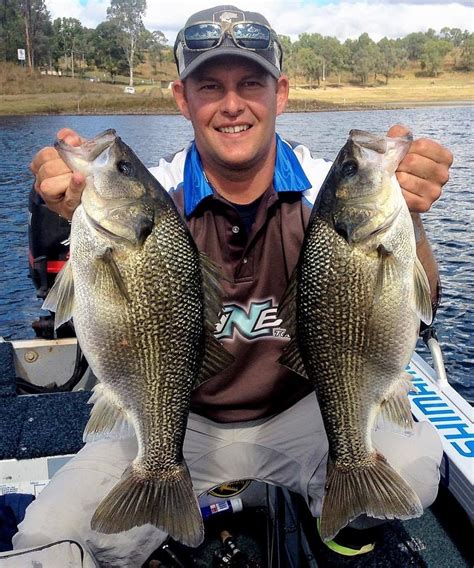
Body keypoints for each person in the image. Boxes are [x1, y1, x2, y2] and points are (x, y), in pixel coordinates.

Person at [12, 5, 452, 567]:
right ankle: (169, 493)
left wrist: (410, 218)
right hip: (177, 418)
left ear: (281, 93)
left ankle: (334, 504)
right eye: (210, 86)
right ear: (182, 99)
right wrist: (62, 212)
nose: (232, 104)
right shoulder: (156, 197)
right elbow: (78, 292)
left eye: (251, 83)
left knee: (415, 472)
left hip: (305, 412)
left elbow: (424, 304)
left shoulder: (328, 189)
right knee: (53, 535)